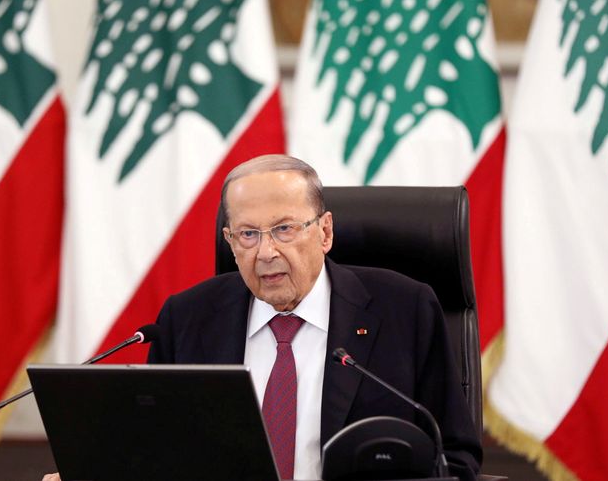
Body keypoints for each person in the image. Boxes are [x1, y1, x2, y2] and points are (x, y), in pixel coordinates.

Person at [43, 154, 481, 481]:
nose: (266, 252)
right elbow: (154, 453)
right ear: (230, 243)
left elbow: (457, 458)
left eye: (285, 229)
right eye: (249, 235)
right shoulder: (188, 319)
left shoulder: (404, 310)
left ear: (325, 232)